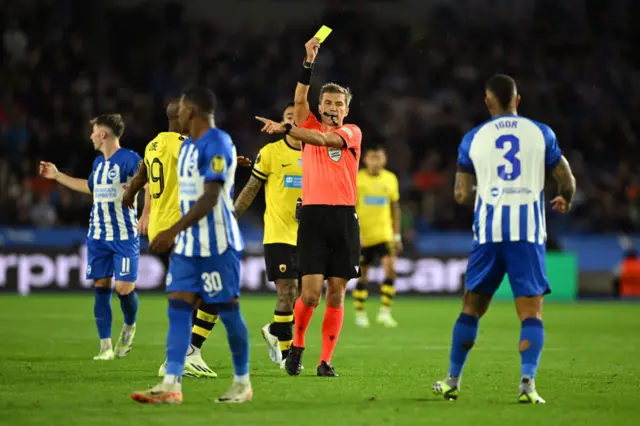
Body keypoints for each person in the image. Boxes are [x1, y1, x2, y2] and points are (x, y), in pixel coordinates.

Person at [431, 74, 576, 404]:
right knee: (530, 312)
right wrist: (564, 198)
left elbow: (460, 193)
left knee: (472, 307)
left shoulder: (473, 138)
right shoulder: (541, 133)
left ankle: (453, 380)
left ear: (487, 101)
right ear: (517, 100)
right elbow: (565, 178)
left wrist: (485, 191)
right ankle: (527, 384)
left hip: (489, 231)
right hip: (527, 233)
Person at [131, 87, 251, 404]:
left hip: (218, 243)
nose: (177, 115)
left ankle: (242, 382)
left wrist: (171, 229)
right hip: (188, 245)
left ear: (193, 111)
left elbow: (211, 197)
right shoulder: (186, 149)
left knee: (227, 310)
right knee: (178, 308)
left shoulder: (218, 142)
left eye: (182, 110)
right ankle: (171, 383)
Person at [256, 36, 362, 377]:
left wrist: (288, 129)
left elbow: (323, 140)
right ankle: (297, 348)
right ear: (320, 106)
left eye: (338, 103)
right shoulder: (308, 123)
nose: (332, 107)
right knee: (312, 294)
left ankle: (325, 360)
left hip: (345, 218)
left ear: (347, 109)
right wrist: (308, 62)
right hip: (314, 217)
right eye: (327, 102)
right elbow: (299, 97)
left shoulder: (351, 133)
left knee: (337, 293)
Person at [123, 100, 218, 379]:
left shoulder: (154, 144)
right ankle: (181, 356)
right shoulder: (181, 144)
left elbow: (143, 173)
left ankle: (183, 355)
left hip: (162, 229)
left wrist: (130, 195)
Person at [39, 114, 142, 361]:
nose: (91, 136)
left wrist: (147, 211)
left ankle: (129, 327)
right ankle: (105, 347)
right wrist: (57, 176)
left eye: (94, 132)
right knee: (101, 288)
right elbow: (90, 187)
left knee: (124, 289)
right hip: (97, 235)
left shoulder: (130, 159)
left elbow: (147, 183)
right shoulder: (98, 164)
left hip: (125, 235)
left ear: (103, 134)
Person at [235, 103, 302, 367]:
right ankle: (288, 355)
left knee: (307, 296)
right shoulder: (271, 153)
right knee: (288, 289)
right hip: (279, 233)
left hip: (310, 236)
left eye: (297, 118)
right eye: (288, 118)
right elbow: (252, 188)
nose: (292, 122)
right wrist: (231, 216)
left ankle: (276, 330)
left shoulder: (318, 154)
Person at [353, 145, 402, 328]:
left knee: (390, 271)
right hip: (364, 236)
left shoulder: (390, 179)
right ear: (365, 159)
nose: (375, 161)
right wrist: (354, 234)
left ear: (384, 159)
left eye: (379, 157)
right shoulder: (358, 179)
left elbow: (394, 208)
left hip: (385, 234)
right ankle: (360, 313)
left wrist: (396, 235)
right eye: (372, 157)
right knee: (362, 275)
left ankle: (385, 312)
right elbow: (351, 209)